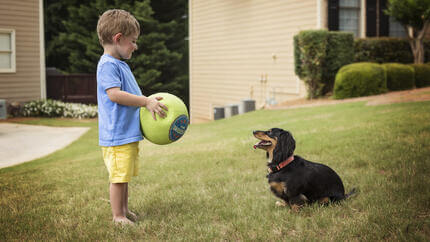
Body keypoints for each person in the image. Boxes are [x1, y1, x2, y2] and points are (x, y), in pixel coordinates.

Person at [96, 9, 167, 225]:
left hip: (126, 133)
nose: (135, 46)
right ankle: (118, 216)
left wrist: (148, 101)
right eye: (133, 41)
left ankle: (124, 210)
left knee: (123, 176)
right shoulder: (107, 65)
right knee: (118, 177)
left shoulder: (120, 64)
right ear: (118, 38)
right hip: (117, 135)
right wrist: (146, 101)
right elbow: (115, 95)